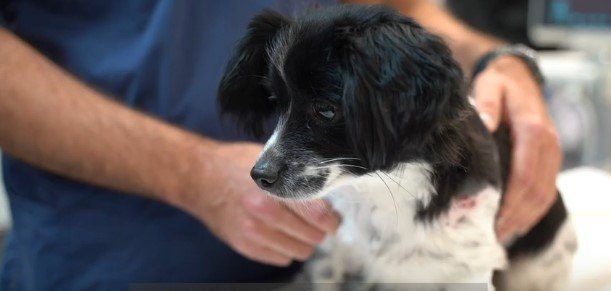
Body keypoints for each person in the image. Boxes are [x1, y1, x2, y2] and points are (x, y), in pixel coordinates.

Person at [0, 0, 561, 289]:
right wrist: (187, 173)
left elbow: (405, 14)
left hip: (331, 260)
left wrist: (506, 61)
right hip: (108, 259)